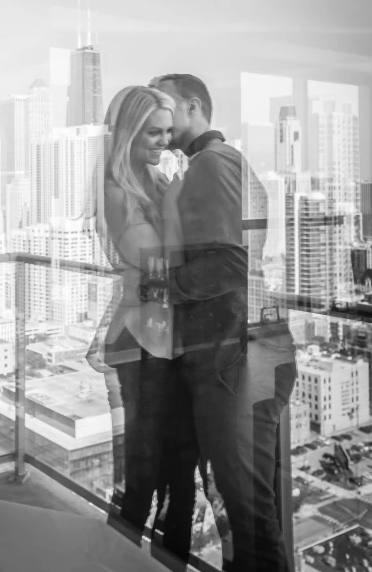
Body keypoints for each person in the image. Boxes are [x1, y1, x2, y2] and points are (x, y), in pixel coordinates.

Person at [150, 73, 297, 572]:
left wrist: (153, 289)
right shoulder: (218, 163)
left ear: (193, 107)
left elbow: (227, 266)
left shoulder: (212, 165)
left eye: (165, 104)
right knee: (250, 508)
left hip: (236, 355)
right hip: (244, 348)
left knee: (248, 515)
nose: (159, 117)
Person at [88, 85, 197, 566]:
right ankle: (118, 561)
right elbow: (159, 264)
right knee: (142, 476)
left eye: (169, 132)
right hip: (140, 341)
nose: (165, 141)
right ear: (130, 133)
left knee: (177, 470)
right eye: (154, 132)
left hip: (163, 339)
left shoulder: (151, 179)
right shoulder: (117, 188)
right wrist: (176, 204)